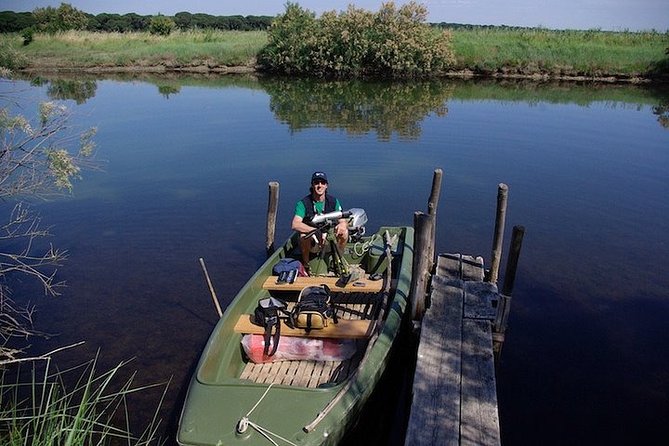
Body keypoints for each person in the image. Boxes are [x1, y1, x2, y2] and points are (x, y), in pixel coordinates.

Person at [292, 171, 349, 274]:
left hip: (330, 240)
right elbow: (295, 224)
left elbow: (343, 221)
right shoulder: (303, 203)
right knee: (303, 236)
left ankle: (337, 261)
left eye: (322, 183)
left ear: (326, 186)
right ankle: (306, 264)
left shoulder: (333, 201)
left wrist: (342, 225)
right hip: (314, 241)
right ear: (312, 185)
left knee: (345, 232)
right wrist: (315, 231)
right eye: (316, 183)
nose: (319, 185)